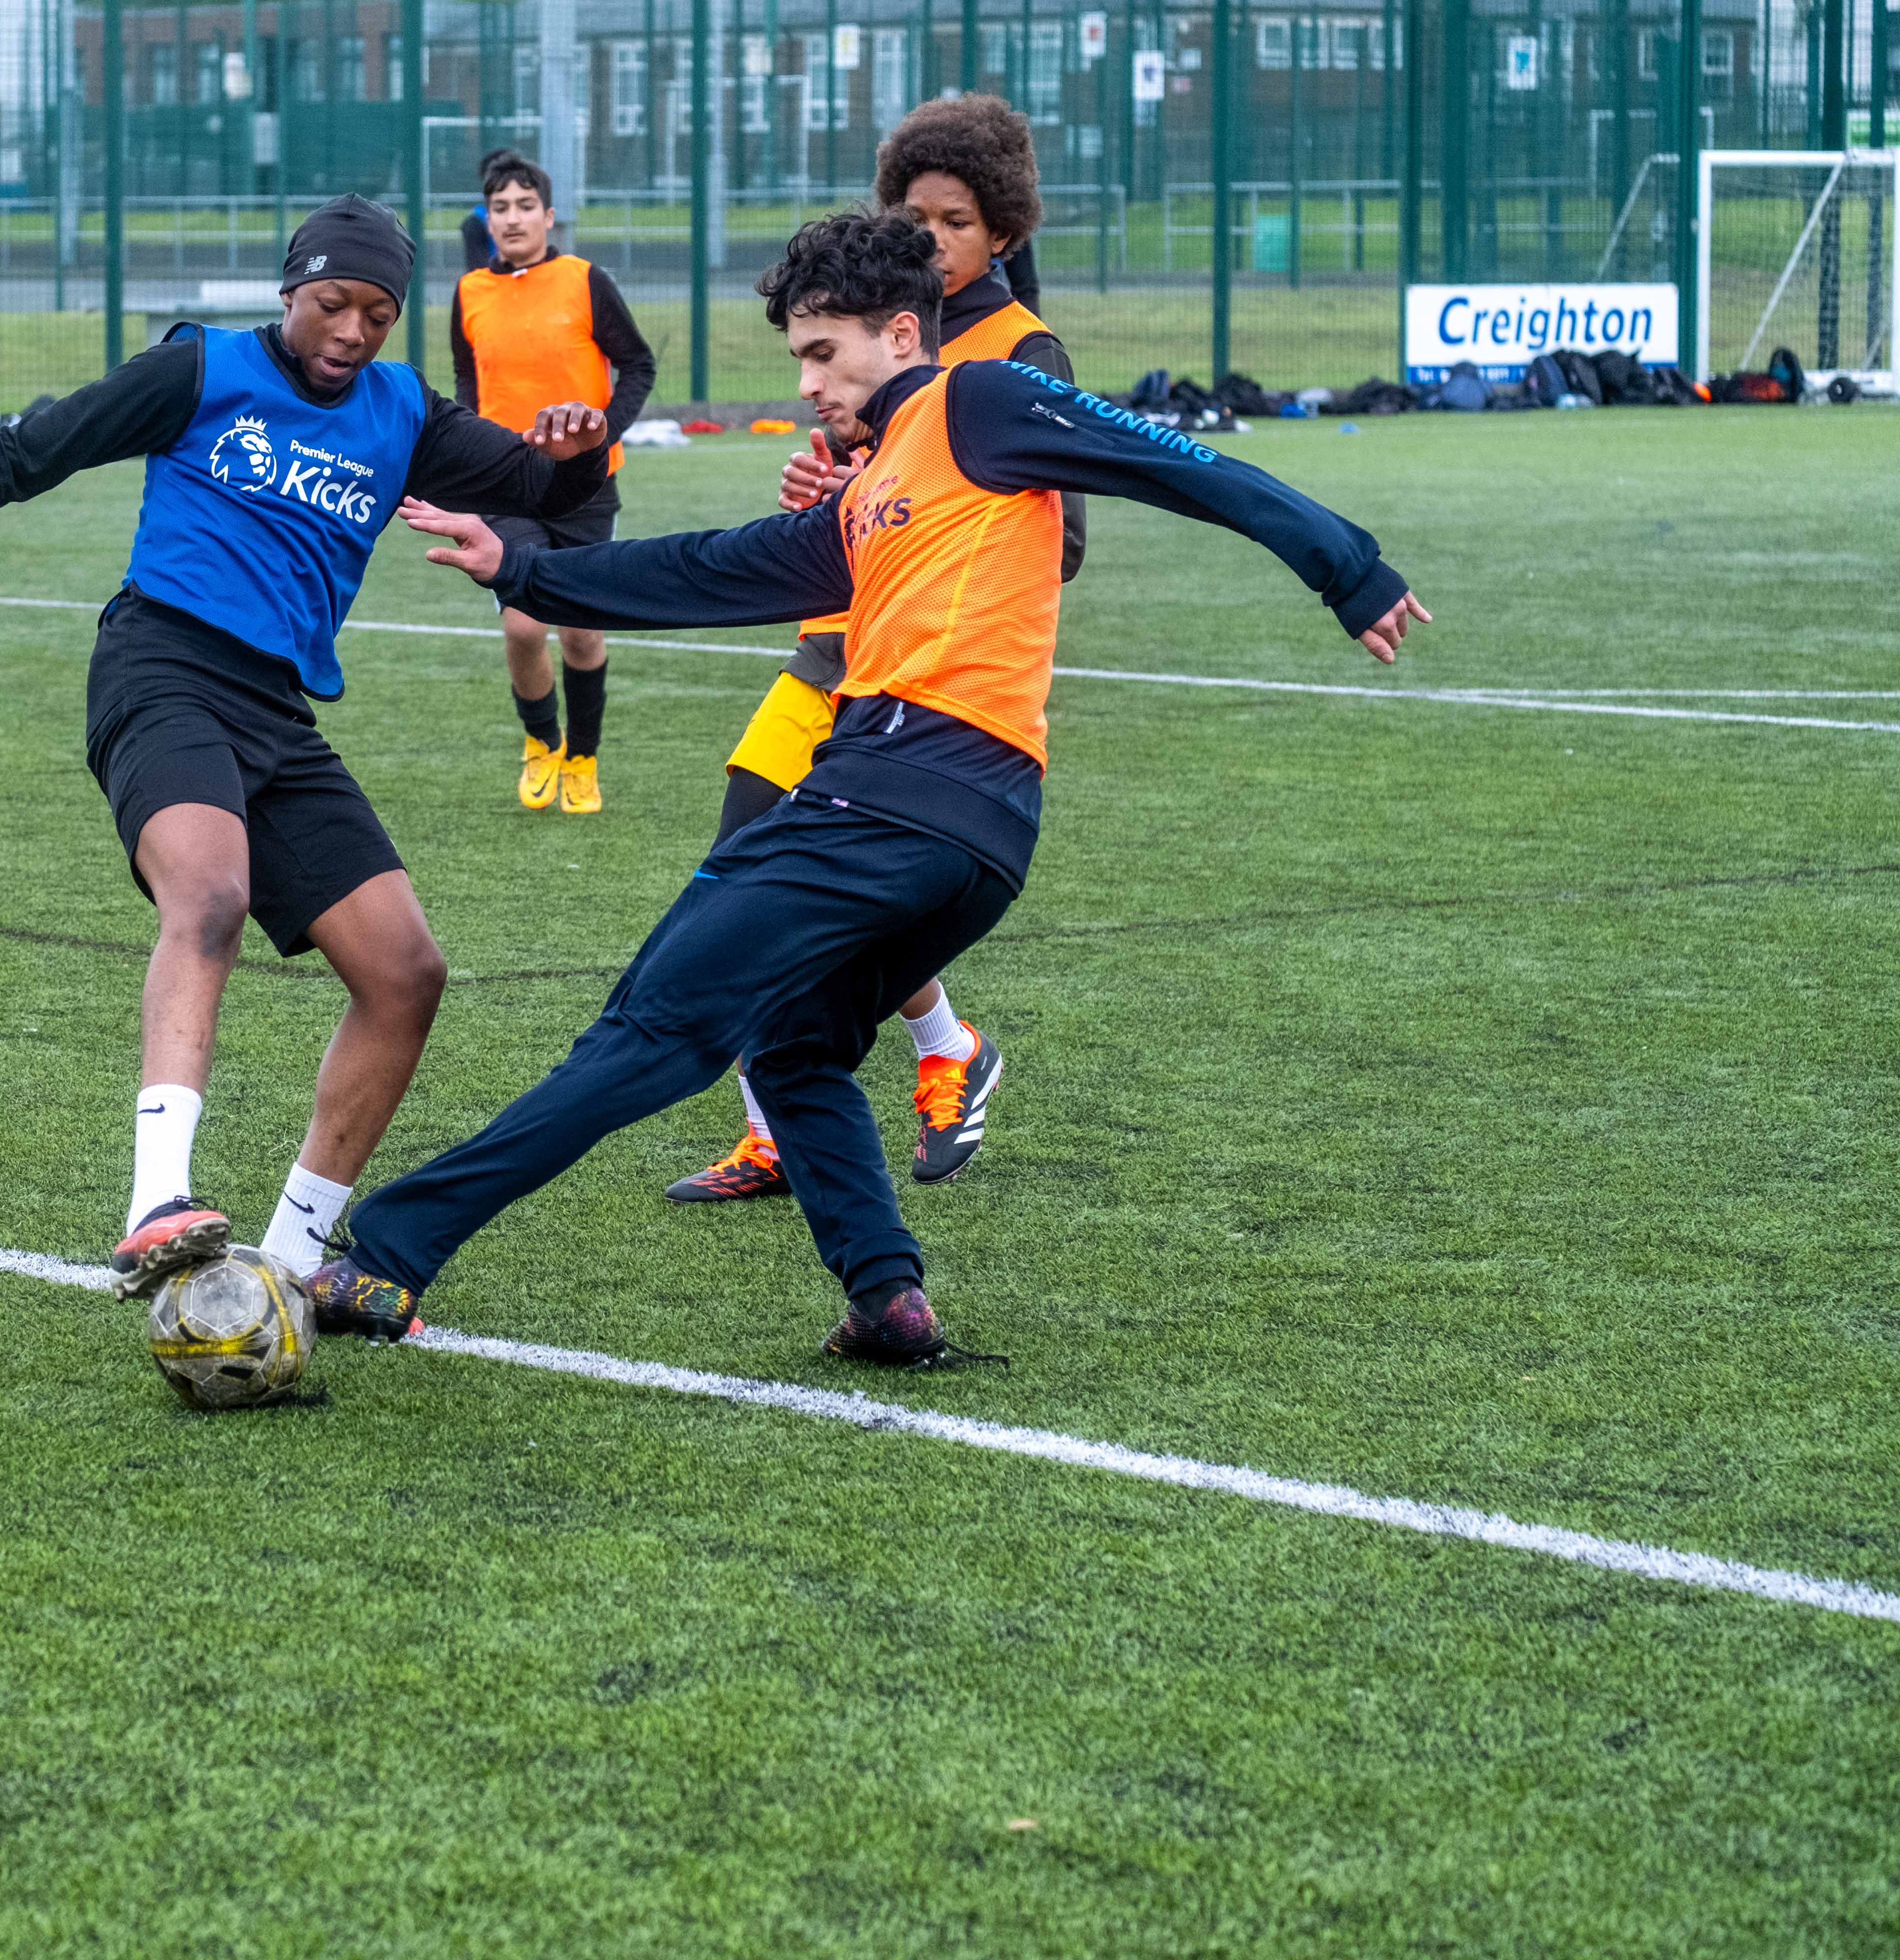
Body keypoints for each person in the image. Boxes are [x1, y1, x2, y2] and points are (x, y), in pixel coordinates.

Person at [300, 209, 1428, 1362]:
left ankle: (386, 1253)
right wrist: (528, 566)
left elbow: (1175, 462)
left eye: (821, 353)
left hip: (891, 793)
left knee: (651, 1025)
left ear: (900, 331)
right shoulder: (874, 482)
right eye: (798, 356)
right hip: (973, 838)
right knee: (790, 1043)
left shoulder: (977, 402)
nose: (807, 381)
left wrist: (1347, 567)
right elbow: (719, 567)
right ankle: (887, 1299)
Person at [0, 197, 612, 1291]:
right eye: (332, 304)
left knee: (406, 972)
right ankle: (155, 1204)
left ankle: (291, 1255)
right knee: (211, 895)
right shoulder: (200, 372)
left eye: (377, 312)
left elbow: (530, 488)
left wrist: (576, 451)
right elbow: (21, 457)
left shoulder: (402, 409)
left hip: (279, 712)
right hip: (161, 668)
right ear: (289, 292)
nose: (353, 333)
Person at [672, 94, 1074, 1206]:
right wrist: (826, 498)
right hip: (825, 659)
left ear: (1003, 233)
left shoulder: (1014, 353)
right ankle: (852, 1089)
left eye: (957, 220)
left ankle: (880, 1078)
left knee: (792, 897)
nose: (933, 237)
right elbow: (852, 501)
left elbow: (1061, 539)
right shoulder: (869, 334)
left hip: (919, 691)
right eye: (916, 214)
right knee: (746, 871)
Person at [447, 148, 658, 815]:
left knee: (582, 634)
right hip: (508, 487)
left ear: (549, 215)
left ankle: (584, 759)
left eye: (525, 207)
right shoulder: (469, 293)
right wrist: (471, 456)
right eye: (500, 209)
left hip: (589, 486)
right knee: (522, 625)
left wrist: (601, 435)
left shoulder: (585, 280)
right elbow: (466, 384)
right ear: (489, 219)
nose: (512, 219)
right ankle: (542, 741)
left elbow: (639, 365)